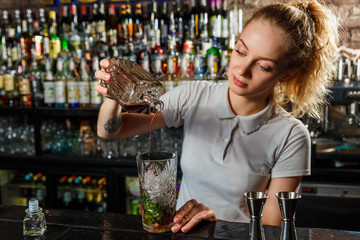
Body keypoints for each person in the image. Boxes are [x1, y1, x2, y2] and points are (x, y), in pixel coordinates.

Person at [94, 0, 339, 234]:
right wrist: (114, 93)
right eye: (240, 51)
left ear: (287, 75)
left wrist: (216, 223)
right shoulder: (194, 96)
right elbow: (111, 130)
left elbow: (273, 228)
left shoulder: (291, 136)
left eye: (263, 66)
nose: (241, 70)